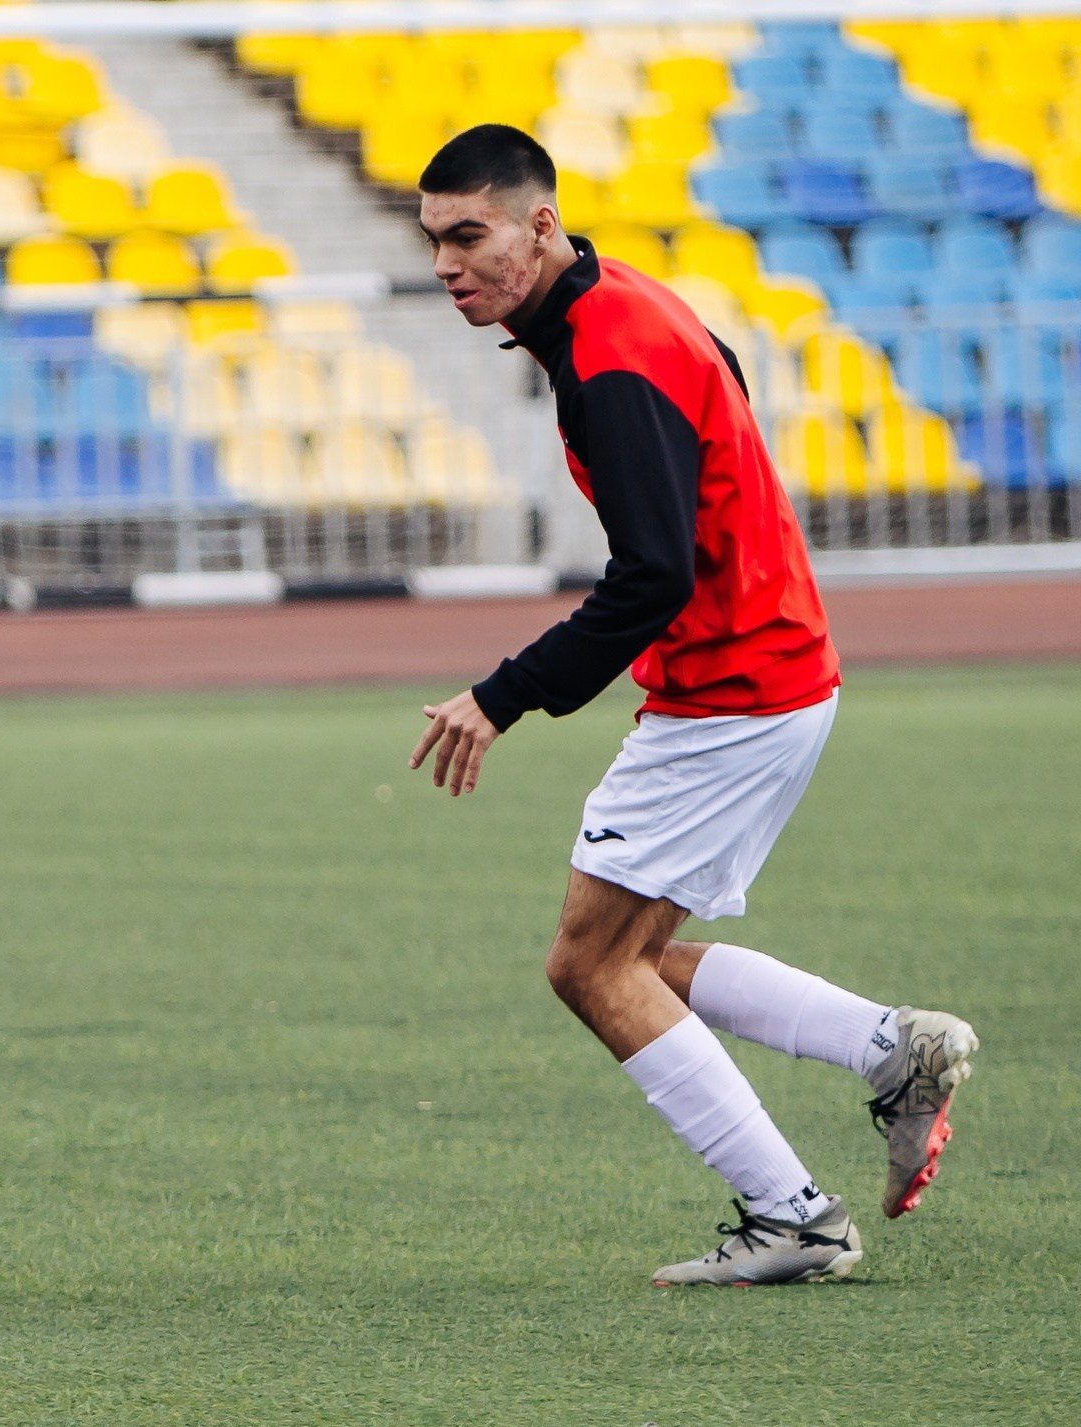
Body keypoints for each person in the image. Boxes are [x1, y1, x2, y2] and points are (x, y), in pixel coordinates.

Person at [406, 125, 977, 1287]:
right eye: (434, 241)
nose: (449, 265)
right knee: (634, 954)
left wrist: (502, 698)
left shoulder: (606, 358)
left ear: (539, 226)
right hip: (766, 675)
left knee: (587, 967)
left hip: (732, 692)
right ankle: (893, 1050)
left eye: (470, 236)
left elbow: (652, 574)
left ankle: (795, 1218)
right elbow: (723, 380)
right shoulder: (614, 304)